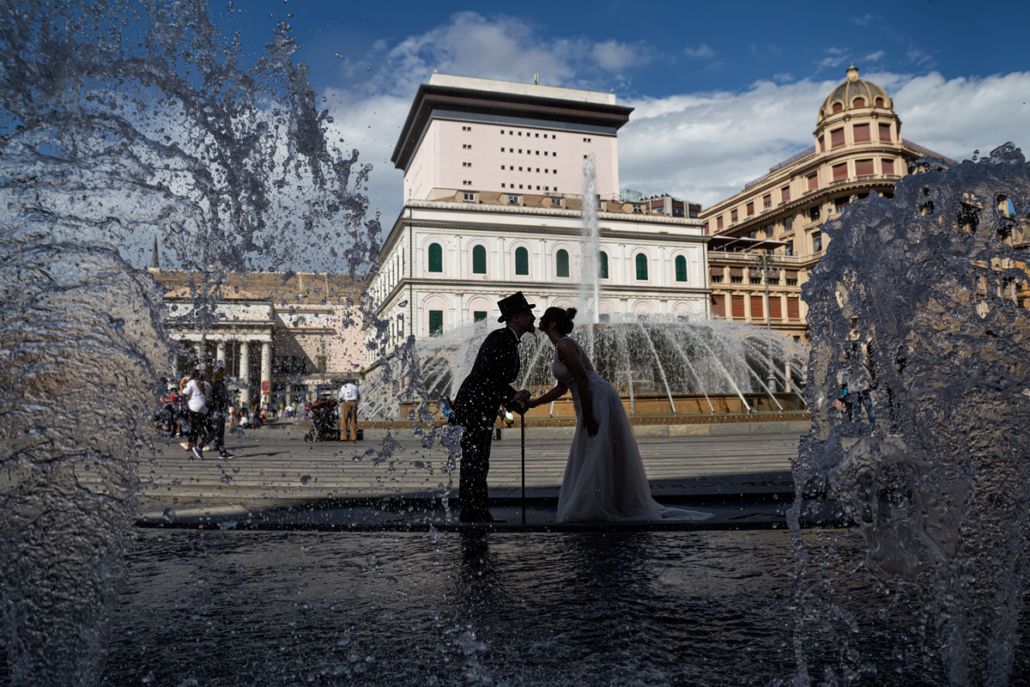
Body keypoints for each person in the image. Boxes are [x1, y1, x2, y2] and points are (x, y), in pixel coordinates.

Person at [528, 307, 712, 523]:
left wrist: (587, 414)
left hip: (597, 396)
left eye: (543, 318)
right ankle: (603, 502)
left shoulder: (565, 345)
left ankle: (598, 505)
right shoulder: (561, 347)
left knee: (596, 447)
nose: (539, 320)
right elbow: (562, 387)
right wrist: (535, 403)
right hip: (591, 397)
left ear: (551, 325)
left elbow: (583, 380)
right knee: (595, 448)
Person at [449, 292, 534, 523]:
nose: (532, 317)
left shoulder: (509, 341)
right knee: (474, 460)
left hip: (481, 405)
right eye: (527, 313)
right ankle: (472, 513)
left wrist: (513, 402)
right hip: (473, 406)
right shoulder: (500, 338)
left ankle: (476, 512)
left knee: (478, 461)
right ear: (514, 318)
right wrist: (512, 395)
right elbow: (486, 376)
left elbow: (497, 381)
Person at [195, 362, 232, 459]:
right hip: (218, 411)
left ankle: (222, 452)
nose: (224, 373)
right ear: (220, 373)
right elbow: (218, 398)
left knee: (220, 432)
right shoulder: (218, 384)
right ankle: (200, 446)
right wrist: (227, 403)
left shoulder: (217, 383)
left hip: (218, 411)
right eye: (222, 372)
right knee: (217, 431)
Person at [181, 367, 210, 457]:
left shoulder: (192, 383)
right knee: (196, 426)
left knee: (198, 426)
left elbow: (183, 394)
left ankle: (204, 444)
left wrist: (181, 385)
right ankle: (190, 444)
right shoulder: (207, 384)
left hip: (194, 408)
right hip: (204, 409)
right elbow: (208, 396)